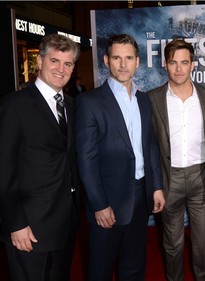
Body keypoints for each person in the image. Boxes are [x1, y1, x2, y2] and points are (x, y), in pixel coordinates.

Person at [75, 33, 165, 281]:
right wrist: (99, 204)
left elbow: (151, 146)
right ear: (106, 60)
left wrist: (156, 186)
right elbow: (86, 160)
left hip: (140, 197)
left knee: (134, 267)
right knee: (100, 269)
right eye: (117, 58)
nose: (123, 64)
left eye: (128, 58)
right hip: (108, 201)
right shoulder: (89, 102)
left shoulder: (144, 100)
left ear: (137, 62)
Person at [0, 33, 81, 281]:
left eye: (68, 64)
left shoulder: (71, 105)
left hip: (65, 224)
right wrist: (15, 224)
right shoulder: (14, 105)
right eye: (54, 61)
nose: (61, 69)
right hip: (30, 227)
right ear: (40, 62)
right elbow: (4, 170)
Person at [148, 39, 205, 281]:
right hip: (169, 179)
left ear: (193, 65)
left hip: (201, 178)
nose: (178, 69)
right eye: (173, 63)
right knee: (172, 244)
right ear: (165, 64)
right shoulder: (152, 98)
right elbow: (149, 146)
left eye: (184, 63)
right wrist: (156, 185)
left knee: (202, 244)